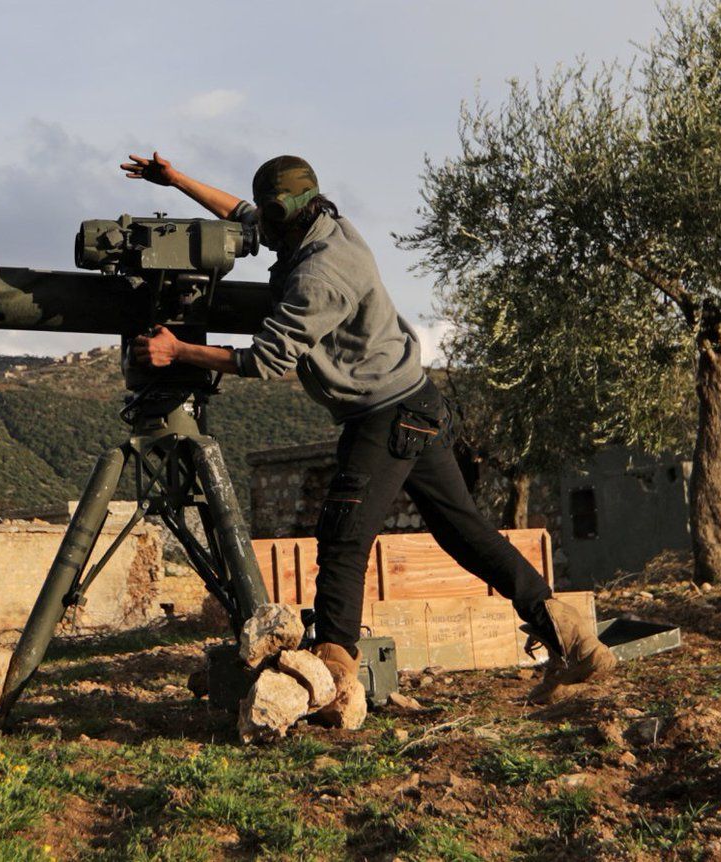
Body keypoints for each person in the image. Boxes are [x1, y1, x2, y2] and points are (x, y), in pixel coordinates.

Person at [119, 151, 616, 717]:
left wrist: (177, 350)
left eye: (270, 217)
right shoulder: (320, 224)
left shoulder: (320, 272)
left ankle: (333, 675)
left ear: (289, 214)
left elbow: (270, 359)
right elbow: (241, 213)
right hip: (416, 402)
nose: (262, 229)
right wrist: (176, 179)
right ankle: (575, 641)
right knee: (465, 533)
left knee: (343, 537)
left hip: (385, 415)